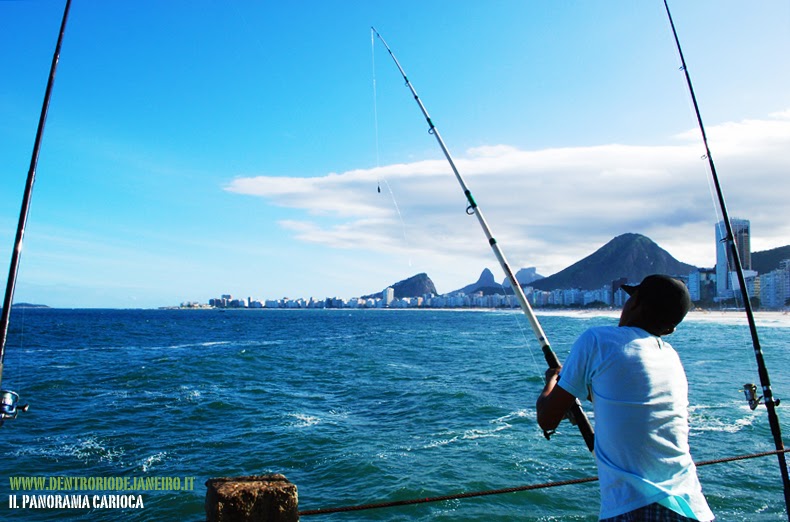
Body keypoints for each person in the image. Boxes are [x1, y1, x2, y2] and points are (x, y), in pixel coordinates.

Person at [536, 274, 714, 521]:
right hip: (694, 507)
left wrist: (552, 380)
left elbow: (547, 419)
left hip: (636, 508)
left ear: (635, 302)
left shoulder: (597, 340)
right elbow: (622, 399)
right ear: (670, 329)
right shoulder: (671, 358)